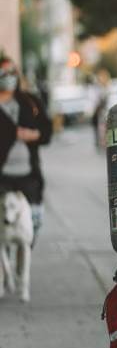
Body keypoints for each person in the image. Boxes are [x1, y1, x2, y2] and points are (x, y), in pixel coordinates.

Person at [0, 56, 52, 244]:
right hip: (2, 177)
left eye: (12, 72)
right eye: (3, 72)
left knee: (33, 223)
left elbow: (47, 132)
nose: (8, 76)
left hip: (28, 175)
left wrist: (34, 135)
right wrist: (13, 133)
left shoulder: (30, 102)